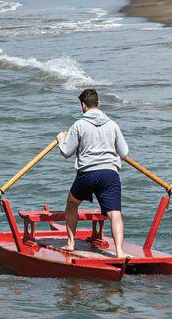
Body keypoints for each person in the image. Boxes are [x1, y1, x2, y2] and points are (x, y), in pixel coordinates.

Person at [55, 89, 130, 259]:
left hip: (87, 174)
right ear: (98, 104)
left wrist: (61, 140)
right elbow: (124, 153)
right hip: (110, 174)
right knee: (114, 213)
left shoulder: (78, 125)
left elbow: (66, 152)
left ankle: (71, 243)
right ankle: (119, 252)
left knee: (72, 203)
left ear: (83, 105)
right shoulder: (112, 124)